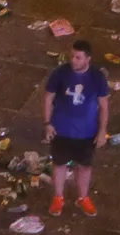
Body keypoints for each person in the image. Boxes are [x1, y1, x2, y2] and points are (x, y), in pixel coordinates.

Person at [43, 40, 109, 217]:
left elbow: (104, 106)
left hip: (87, 132)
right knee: (59, 164)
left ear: (88, 59)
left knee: (85, 166)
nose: (73, 60)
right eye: (72, 56)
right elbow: (48, 97)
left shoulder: (97, 77)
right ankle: (58, 197)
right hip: (61, 129)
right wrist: (48, 123)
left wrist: (102, 131)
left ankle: (83, 197)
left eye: (78, 57)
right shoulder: (60, 73)